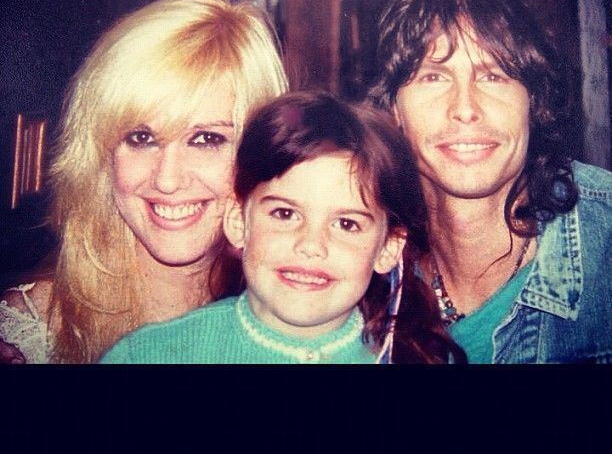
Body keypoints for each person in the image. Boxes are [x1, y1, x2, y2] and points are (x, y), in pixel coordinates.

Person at [0, 0, 288, 363]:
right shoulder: (30, 336)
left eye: (206, 139)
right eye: (141, 138)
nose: (167, 180)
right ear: (101, 156)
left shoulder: (302, 324)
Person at [100, 91, 465, 363]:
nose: (311, 245)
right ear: (238, 221)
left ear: (387, 248)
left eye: (346, 223)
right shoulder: (149, 356)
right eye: (285, 214)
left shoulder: (419, 361)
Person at [368, 0, 612, 363]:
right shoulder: (354, 255)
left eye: (494, 75)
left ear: (534, 101)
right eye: (433, 76)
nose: (465, 108)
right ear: (393, 108)